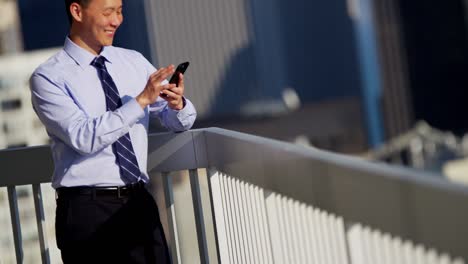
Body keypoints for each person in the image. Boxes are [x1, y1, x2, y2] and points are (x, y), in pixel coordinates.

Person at [30, 0, 197, 262]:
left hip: (138, 201)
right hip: (88, 211)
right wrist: (141, 101)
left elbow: (179, 122)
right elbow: (83, 137)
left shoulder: (133, 61)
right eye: (107, 12)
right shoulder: (48, 77)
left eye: (119, 11)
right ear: (77, 11)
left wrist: (178, 105)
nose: (116, 21)